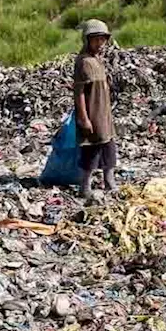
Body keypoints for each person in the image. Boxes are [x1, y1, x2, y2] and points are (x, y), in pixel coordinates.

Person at [74, 19, 117, 199]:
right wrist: (84, 118)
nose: (100, 43)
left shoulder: (97, 60)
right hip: (92, 114)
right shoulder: (83, 62)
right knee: (90, 151)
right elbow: (79, 92)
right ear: (87, 40)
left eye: (102, 39)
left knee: (109, 148)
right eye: (96, 40)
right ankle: (84, 187)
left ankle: (109, 182)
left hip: (103, 114)